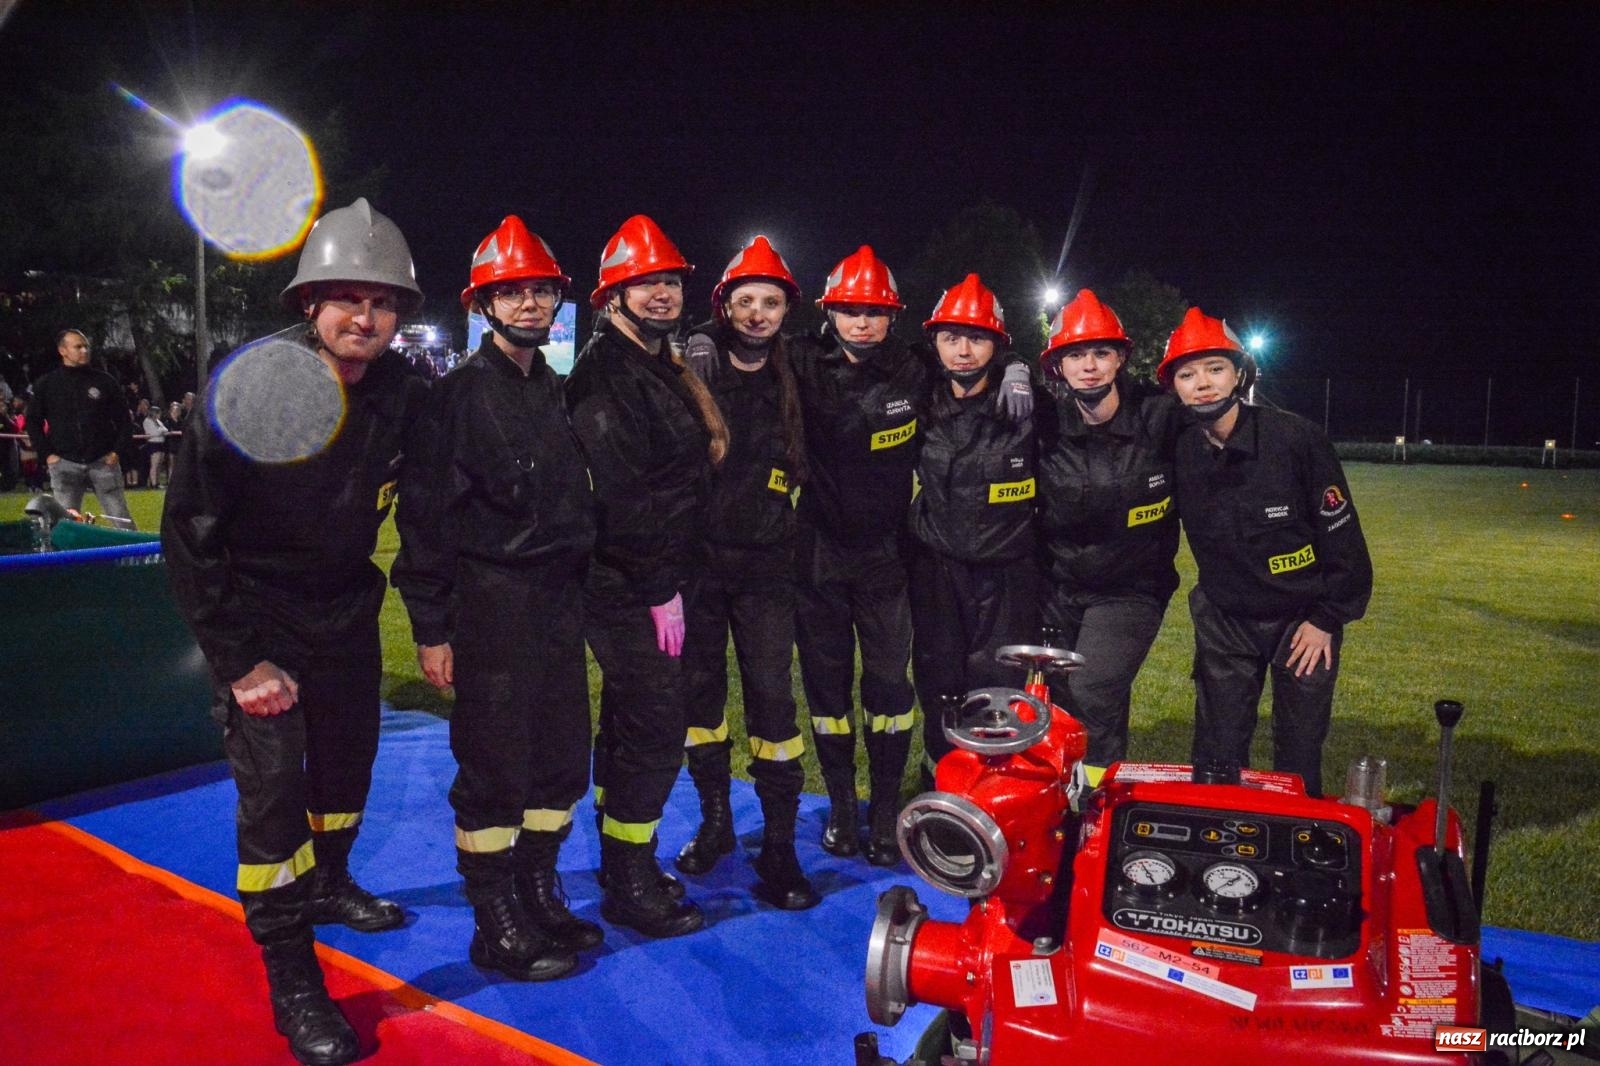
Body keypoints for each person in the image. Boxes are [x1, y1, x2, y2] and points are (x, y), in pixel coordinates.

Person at [162, 198, 428, 1066]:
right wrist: (241, 662)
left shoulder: (398, 393)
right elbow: (190, 533)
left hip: (346, 614)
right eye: (347, 296)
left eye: (384, 302)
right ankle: (294, 979)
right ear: (308, 305)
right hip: (260, 624)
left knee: (347, 767)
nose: (367, 316)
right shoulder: (253, 384)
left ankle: (335, 882)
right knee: (275, 799)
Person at [393, 216, 595, 981]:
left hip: (556, 603)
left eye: (542, 293)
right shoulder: (456, 398)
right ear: (483, 304)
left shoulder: (556, 392)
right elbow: (425, 520)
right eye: (513, 293)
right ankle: (494, 917)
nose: (532, 306)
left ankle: (539, 890)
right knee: (494, 764)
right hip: (491, 602)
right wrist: (432, 626)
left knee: (558, 758)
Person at [788, 248, 1034, 865]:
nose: (862, 323)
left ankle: (886, 812)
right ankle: (843, 808)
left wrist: (1018, 370)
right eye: (850, 310)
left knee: (892, 688)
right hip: (815, 554)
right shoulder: (798, 360)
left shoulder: (913, 367)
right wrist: (706, 343)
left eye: (875, 312)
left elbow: (974, 353)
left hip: (888, 559)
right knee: (827, 692)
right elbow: (745, 346)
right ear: (830, 312)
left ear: (894, 318)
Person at [565, 214, 724, 938]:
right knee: (657, 725)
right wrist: (660, 585)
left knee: (633, 721)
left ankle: (619, 859)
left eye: (668, 281)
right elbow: (622, 491)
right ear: (612, 295)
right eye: (644, 283)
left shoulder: (656, 364)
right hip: (632, 582)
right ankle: (631, 879)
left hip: (659, 573)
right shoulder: (605, 373)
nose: (661, 294)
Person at [1159, 307, 1373, 797]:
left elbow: (1344, 540)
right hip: (1224, 618)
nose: (1203, 383)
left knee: (1297, 753)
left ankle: (1295, 855)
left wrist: (1326, 618)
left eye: (1215, 368)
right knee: (1217, 751)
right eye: (1187, 374)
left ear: (1240, 373)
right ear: (1174, 387)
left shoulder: (1296, 439)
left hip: (1302, 620)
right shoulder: (1178, 446)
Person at [675, 236, 818, 910]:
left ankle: (782, 846)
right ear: (724, 306)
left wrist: (1021, 373)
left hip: (766, 569)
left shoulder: (801, 371)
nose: (757, 312)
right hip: (698, 568)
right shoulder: (691, 361)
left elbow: (886, 369)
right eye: (745, 300)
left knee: (773, 703)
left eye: (770, 301)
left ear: (786, 309)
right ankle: (717, 825)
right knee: (699, 705)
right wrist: (684, 361)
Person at [1035, 290, 1185, 785]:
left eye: (1101, 353)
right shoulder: (1045, 423)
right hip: (1060, 588)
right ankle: (1075, 806)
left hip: (1130, 589)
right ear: (1058, 365)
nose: (1089, 366)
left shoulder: (1161, 418)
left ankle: (1093, 806)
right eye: (1075, 354)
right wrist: (1013, 373)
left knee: (1093, 691)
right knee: (1056, 702)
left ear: (1121, 357)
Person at [907, 274, 1041, 775]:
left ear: (997, 344)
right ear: (935, 343)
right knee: (938, 679)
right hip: (937, 569)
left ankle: (993, 787)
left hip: (1006, 574)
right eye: (950, 338)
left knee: (997, 685)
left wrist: (1018, 369)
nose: (963, 350)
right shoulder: (921, 398)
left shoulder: (1030, 407)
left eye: (978, 338)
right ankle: (939, 781)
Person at [25, 329, 135, 525]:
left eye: (86, 346)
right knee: (64, 523)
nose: (84, 351)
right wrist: (47, 454)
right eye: (78, 347)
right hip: (64, 463)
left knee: (121, 519)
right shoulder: (47, 384)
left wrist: (116, 452)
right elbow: (32, 421)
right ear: (63, 350)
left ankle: (133, 556)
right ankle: (64, 557)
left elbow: (125, 421)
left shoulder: (104, 381)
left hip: (103, 461)